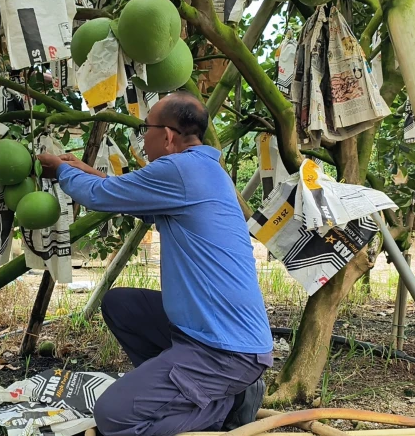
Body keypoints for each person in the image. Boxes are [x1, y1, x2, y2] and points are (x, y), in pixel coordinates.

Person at [38, 91, 273, 436]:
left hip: (225, 351)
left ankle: (222, 406)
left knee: (113, 417)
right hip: (211, 336)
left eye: (144, 128)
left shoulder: (179, 169)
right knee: (121, 304)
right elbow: (123, 195)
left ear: (166, 136)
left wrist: (60, 170)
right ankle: (182, 390)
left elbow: (98, 195)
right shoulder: (204, 170)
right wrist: (86, 171)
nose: (141, 137)